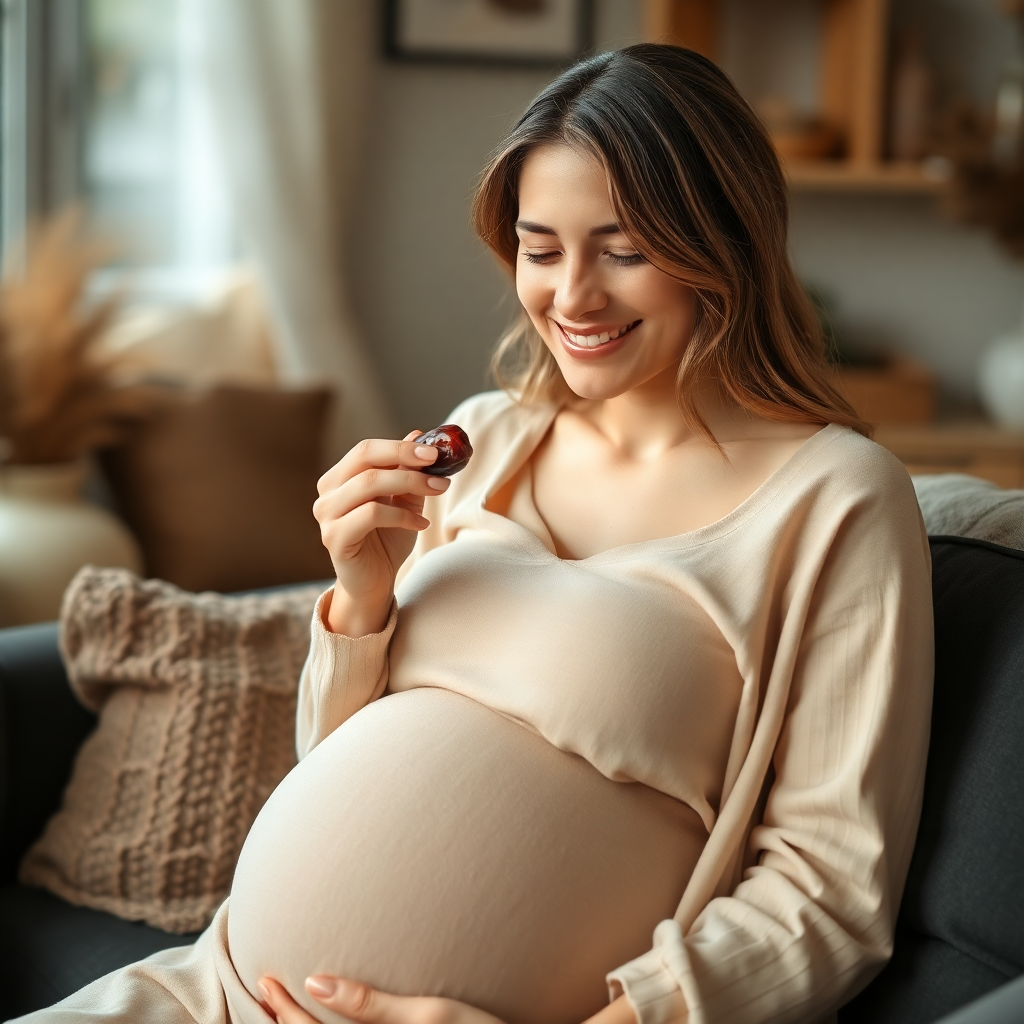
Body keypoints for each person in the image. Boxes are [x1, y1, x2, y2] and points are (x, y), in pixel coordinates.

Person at [17, 44, 933, 1024]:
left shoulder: (836, 499)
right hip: (217, 993)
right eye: (541, 250)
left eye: (622, 251)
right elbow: (331, 759)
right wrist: (359, 597)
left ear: (727, 244)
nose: (571, 296)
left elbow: (830, 895)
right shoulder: (484, 436)